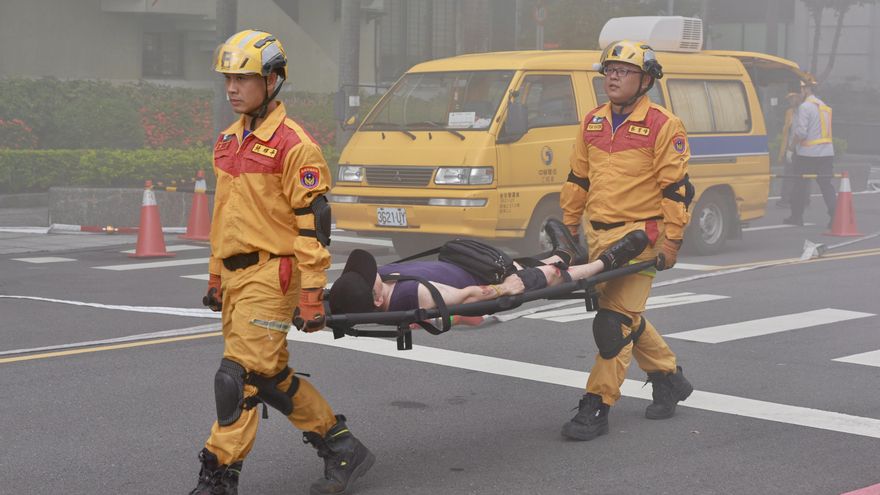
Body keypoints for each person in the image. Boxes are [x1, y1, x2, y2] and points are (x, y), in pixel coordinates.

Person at [191, 30, 373, 495]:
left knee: (237, 378)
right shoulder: (227, 141)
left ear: (272, 80)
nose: (232, 88)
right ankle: (342, 447)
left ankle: (219, 477)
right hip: (237, 278)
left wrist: (311, 293)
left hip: (273, 276)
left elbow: (313, 228)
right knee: (269, 377)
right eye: (228, 79)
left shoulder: (296, 146)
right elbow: (223, 217)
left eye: (243, 79)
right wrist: (215, 274)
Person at [558, 40, 695, 441]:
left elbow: (676, 189)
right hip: (598, 235)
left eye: (624, 71)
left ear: (646, 80)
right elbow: (578, 178)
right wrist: (569, 228)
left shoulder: (663, 124)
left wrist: (672, 242)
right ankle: (668, 378)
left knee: (613, 322)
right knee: (625, 314)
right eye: (610, 70)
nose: (613, 77)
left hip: (640, 236)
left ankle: (597, 404)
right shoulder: (592, 121)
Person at [327, 220, 649, 316]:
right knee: (547, 276)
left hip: (463, 265)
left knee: (520, 265)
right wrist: (503, 289)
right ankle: (605, 261)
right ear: (378, 301)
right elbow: (466, 298)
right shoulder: (415, 296)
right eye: (371, 281)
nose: (373, 274)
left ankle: (565, 253)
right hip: (482, 281)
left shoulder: (378, 286)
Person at [784, 78, 837, 227]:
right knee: (826, 185)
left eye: (800, 90)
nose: (799, 93)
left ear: (806, 89)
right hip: (827, 153)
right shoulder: (824, 106)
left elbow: (801, 132)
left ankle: (796, 217)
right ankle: (835, 217)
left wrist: (790, 148)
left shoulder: (805, 107)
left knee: (799, 185)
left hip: (807, 154)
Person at [776, 91, 803, 208]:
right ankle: (787, 199)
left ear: (799, 97)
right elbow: (788, 132)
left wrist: (791, 149)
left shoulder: (804, 112)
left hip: (801, 148)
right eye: (789, 99)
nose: (790, 101)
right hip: (792, 147)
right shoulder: (790, 112)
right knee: (789, 173)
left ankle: (794, 199)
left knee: (799, 175)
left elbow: (801, 132)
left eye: (793, 98)